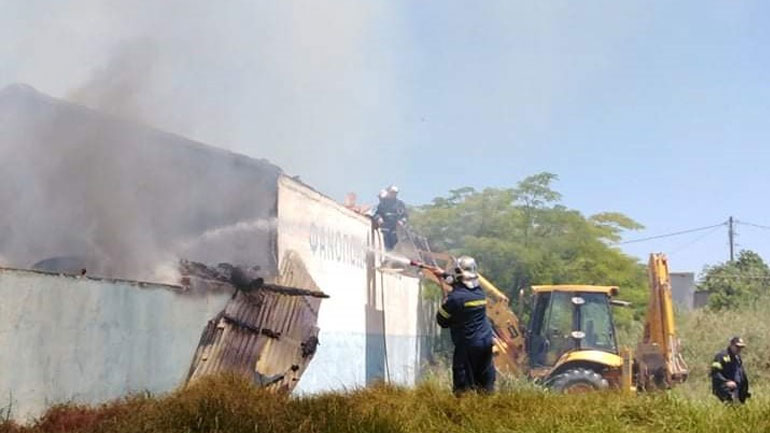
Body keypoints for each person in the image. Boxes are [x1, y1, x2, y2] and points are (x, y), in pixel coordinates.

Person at [435, 256, 495, 394]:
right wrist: (444, 275)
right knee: (485, 385)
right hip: (486, 342)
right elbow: (460, 285)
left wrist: (445, 299)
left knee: (462, 387)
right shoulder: (479, 293)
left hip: (468, 345)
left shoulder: (454, 299)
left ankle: (463, 410)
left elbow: (442, 321)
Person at [711, 336, 750, 404]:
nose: (739, 349)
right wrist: (726, 382)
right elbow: (715, 372)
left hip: (737, 391)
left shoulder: (737, 358)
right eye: (737, 346)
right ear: (731, 345)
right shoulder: (721, 356)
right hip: (726, 390)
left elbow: (740, 374)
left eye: (741, 347)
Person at [373, 185, 408, 250]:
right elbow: (377, 213)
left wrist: (402, 221)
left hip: (396, 229)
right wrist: (379, 218)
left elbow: (405, 215)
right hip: (385, 228)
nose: (393, 194)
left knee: (395, 243)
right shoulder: (383, 203)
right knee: (385, 243)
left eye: (395, 193)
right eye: (392, 192)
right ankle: (387, 255)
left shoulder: (400, 204)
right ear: (389, 192)